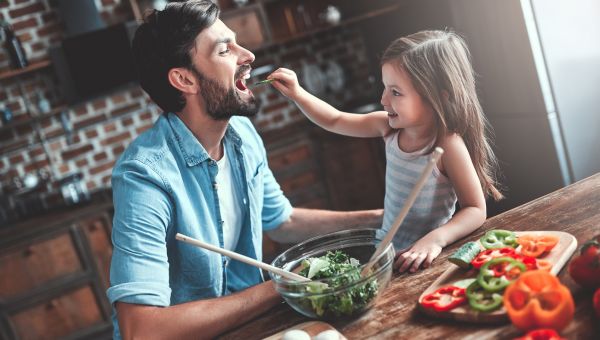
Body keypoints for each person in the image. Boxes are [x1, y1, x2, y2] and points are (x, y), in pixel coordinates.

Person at [107, 1, 382, 339]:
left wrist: (381, 219)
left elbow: (282, 220)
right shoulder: (144, 177)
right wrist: (283, 285)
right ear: (184, 79)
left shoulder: (241, 135)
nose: (248, 54)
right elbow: (142, 329)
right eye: (225, 50)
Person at [268, 30, 503, 274]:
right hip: (385, 253)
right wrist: (297, 93)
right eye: (385, 88)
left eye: (396, 92)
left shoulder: (447, 145)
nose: (383, 99)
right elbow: (335, 120)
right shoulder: (387, 128)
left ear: (438, 99)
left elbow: (475, 210)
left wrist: (435, 240)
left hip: (425, 260)